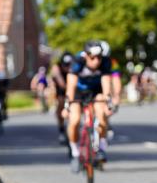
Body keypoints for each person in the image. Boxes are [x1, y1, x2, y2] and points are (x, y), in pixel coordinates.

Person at [64, 40, 117, 172]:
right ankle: (75, 152)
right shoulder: (78, 61)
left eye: (99, 57)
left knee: (101, 115)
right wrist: (67, 105)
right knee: (75, 120)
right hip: (78, 91)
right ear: (86, 56)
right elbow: (71, 85)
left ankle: (101, 148)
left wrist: (108, 103)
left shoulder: (105, 62)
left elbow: (106, 84)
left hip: (96, 91)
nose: (96, 61)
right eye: (93, 58)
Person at [50, 52, 73, 143]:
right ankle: (61, 129)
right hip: (61, 89)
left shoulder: (75, 67)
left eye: (70, 65)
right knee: (60, 104)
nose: (68, 67)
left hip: (72, 87)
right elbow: (61, 83)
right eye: (66, 65)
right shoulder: (57, 67)